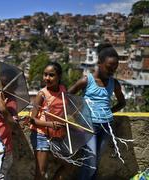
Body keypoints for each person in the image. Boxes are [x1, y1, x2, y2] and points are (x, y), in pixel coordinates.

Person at [68, 43, 126, 180]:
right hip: (89, 126)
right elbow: (67, 97)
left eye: (114, 69)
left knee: (95, 160)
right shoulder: (87, 80)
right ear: (99, 63)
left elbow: (122, 102)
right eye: (108, 68)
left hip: (106, 126)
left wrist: (109, 112)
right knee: (91, 161)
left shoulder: (114, 83)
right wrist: (77, 113)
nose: (111, 72)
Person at [27, 62, 67, 180]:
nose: (47, 78)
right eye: (45, 75)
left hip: (57, 135)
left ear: (59, 77)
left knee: (69, 164)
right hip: (41, 135)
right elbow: (32, 120)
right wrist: (50, 124)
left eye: (51, 75)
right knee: (41, 172)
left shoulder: (63, 90)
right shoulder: (41, 94)